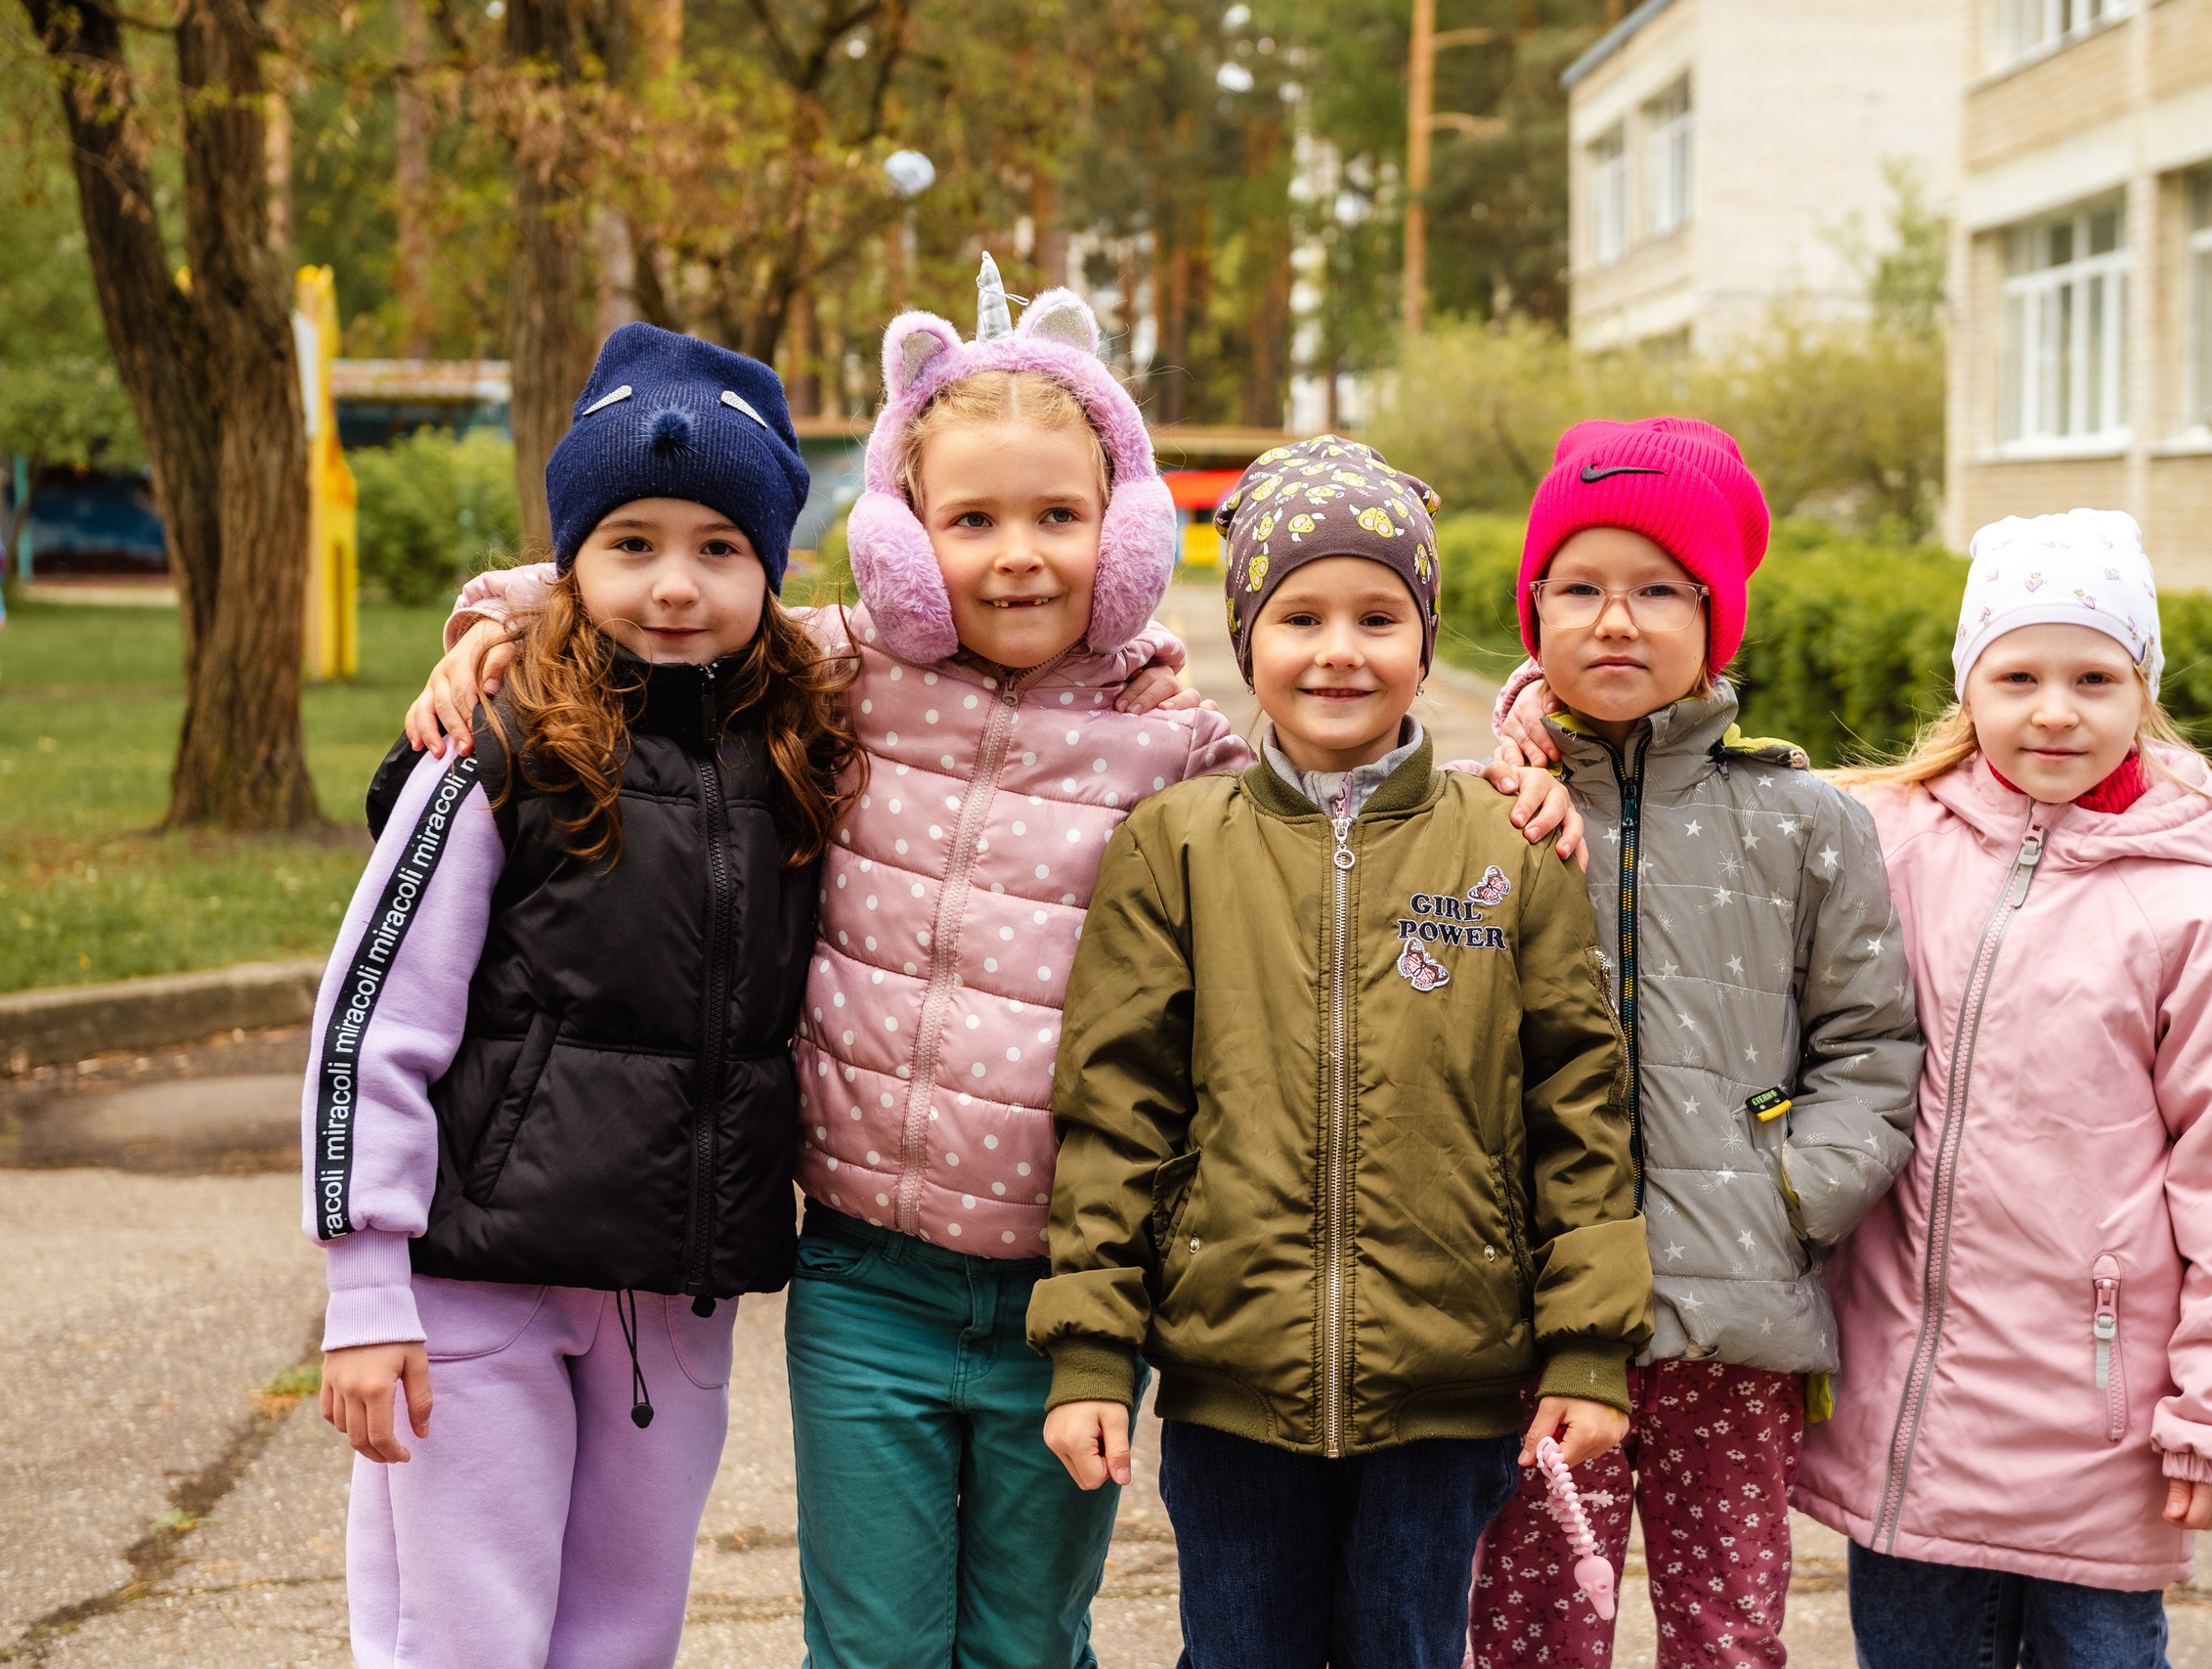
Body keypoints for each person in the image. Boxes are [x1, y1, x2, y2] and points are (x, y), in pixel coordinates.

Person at [407, 269, 1583, 1668]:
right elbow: (684, 596)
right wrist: (505, 617)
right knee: (874, 1647)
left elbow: (1336, 789)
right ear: (903, 541)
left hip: (1069, 1296)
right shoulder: (837, 675)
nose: (1018, 556)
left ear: (1124, 534)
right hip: (866, 1277)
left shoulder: (1176, 747)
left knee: (1030, 1642)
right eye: (970, 521)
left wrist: (1514, 750)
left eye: (1058, 518)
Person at [1029, 435, 1653, 1669]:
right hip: (1232, 1382)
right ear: (1245, 635)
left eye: (1378, 616)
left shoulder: (1510, 846)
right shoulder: (1176, 845)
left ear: (1426, 640)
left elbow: (1578, 1107)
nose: (1338, 651)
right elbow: (1114, 1111)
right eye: (1299, 615)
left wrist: (1587, 1346)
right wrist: (1093, 1349)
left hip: (1447, 1387)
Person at [307, 323, 855, 1669]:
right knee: (466, 1634)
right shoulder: (493, 742)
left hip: (672, 1299)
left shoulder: (804, 740)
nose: (674, 583)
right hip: (479, 1283)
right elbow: (371, 1020)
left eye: (718, 547)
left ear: (770, 568)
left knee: (622, 1634)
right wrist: (366, 1289)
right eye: (631, 542)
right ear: (571, 563)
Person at [1801, 509, 2212, 1668]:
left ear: (2142, 691)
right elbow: (1705, 816)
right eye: (2019, 676)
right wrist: (1541, 724)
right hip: (1904, 1423)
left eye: (2093, 678)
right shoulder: (1883, 841)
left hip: (2099, 1434)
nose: (2054, 711)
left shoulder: (2197, 917)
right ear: (1968, 686)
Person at [1471, 418, 1924, 1668]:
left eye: (1660, 591)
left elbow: (1869, 1045)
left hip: (1735, 1318)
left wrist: (1790, 1193)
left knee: (1726, 1635)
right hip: (1536, 1315)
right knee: (1528, 1634)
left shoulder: (1804, 821)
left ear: (1717, 618)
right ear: (1533, 612)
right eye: (1578, 588)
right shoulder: (1490, 809)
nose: (1615, 621)